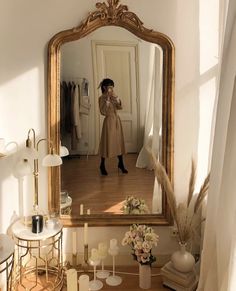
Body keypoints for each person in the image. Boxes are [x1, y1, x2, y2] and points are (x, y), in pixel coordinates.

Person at [98, 78, 128, 175]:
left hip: (117, 122)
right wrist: (107, 100)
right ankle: (102, 164)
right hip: (109, 123)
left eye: (112, 86)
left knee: (118, 142)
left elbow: (120, 107)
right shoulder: (101, 98)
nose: (111, 89)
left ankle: (121, 164)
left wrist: (116, 98)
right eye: (109, 87)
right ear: (104, 87)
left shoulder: (114, 97)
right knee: (107, 143)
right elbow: (103, 112)